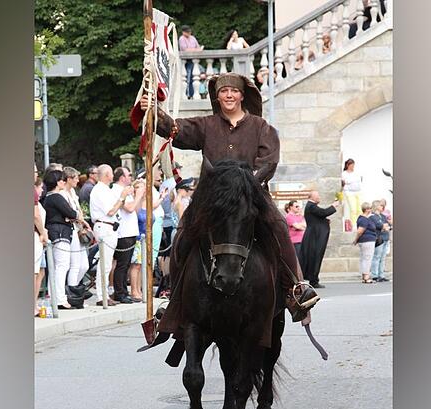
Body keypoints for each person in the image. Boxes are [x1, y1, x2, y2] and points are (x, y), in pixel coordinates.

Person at [137, 71, 320, 346]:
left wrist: (246, 184)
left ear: (242, 95)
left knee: (279, 227)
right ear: (218, 96)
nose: (229, 95)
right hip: (212, 200)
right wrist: (153, 111)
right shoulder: (207, 125)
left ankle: (295, 289)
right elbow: (176, 129)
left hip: (251, 196)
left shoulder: (261, 127)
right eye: (224, 92)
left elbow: (269, 161)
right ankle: (175, 300)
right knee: (182, 234)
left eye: (233, 91)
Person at [89, 164, 133, 306]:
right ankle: (102, 296)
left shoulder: (105, 190)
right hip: (104, 227)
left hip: (110, 227)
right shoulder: (99, 190)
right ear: (107, 175)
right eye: (111, 173)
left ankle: (104, 294)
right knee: (105, 264)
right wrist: (122, 197)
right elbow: (111, 211)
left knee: (107, 264)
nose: (113, 176)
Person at [41, 168, 77, 309]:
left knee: (56, 266)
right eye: (62, 180)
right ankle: (60, 298)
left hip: (55, 231)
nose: (64, 182)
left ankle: (54, 297)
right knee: (62, 266)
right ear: (57, 182)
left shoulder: (48, 197)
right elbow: (72, 213)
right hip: (60, 232)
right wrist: (71, 216)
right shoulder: (56, 197)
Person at [114, 166, 145, 304]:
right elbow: (129, 208)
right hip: (123, 232)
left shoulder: (127, 191)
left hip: (131, 231)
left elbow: (135, 210)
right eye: (129, 175)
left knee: (126, 264)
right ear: (122, 177)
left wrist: (140, 197)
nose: (131, 177)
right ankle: (120, 293)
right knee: (122, 265)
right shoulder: (118, 191)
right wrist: (138, 196)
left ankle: (123, 292)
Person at [61, 167, 92, 299]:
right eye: (75, 178)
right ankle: (72, 294)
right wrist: (79, 219)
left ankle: (74, 289)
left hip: (78, 228)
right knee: (75, 264)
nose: (78, 180)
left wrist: (83, 221)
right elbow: (70, 213)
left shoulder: (73, 192)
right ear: (68, 179)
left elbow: (78, 211)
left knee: (84, 265)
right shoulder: (63, 193)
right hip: (71, 228)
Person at [300, 190, 340, 288]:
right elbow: (322, 213)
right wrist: (333, 206)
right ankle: (313, 280)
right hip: (314, 236)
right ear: (312, 197)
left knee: (315, 257)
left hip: (314, 235)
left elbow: (317, 218)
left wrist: (325, 221)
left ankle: (313, 279)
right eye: (317, 196)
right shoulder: (311, 206)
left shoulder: (311, 206)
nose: (319, 197)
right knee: (314, 257)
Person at [33, 165, 49, 316]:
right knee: (34, 271)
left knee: (39, 271)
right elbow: (36, 215)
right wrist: (43, 233)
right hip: (35, 234)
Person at [353, 201, 377, 283]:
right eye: (370, 208)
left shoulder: (361, 218)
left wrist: (357, 240)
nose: (371, 210)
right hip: (368, 240)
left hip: (364, 240)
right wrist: (355, 239)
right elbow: (360, 231)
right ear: (366, 209)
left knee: (364, 258)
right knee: (367, 258)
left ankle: (364, 276)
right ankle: (366, 276)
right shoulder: (364, 219)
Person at [178, 26, 203, 99]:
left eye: (189, 31)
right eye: (187, 32)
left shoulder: (192, 38)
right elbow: (185, 49)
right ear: (183, 32)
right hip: (186, 61)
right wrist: (196, 50)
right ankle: (188, 94)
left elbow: (198, 47)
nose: (189, 33)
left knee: (193, 78)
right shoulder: (181, 39)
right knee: (187, 78)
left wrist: (196, 49)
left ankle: (192, 94)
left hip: (193, 60)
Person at [370, 199, 391, 282]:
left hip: (385, 238)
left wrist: (385, 226)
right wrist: (384, 226)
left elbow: (388, 225)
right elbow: (379, 225)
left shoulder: (383, 216)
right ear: (376, 206)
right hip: (379, 239)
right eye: (380, 205)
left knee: (383, 258)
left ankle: (381, 275)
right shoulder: (372, 216)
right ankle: (374, 275)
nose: (382, 207)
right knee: (377, 257)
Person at [341, 158, 362, 232]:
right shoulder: (344, 174)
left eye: (353, 165)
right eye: (351, 165)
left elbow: (359, 180)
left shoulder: (356, 173)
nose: (353, 166)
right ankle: (354, 225)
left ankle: (359, 224)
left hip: (357, 192)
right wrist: (350, 181)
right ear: (348, 165)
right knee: (353, 209)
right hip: (349, 193)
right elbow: (345, 182)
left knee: (359, 209)